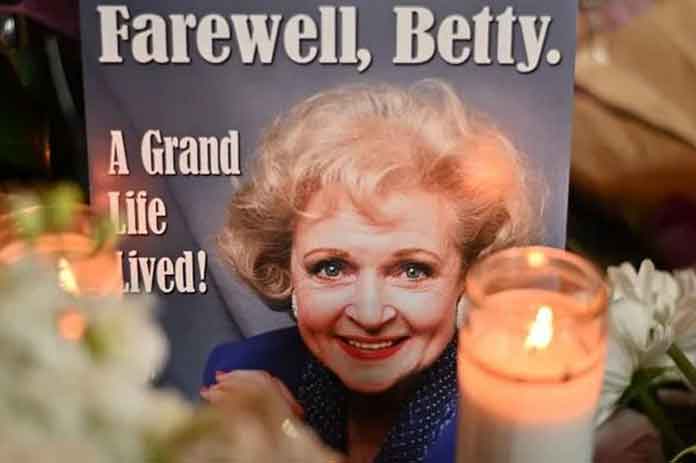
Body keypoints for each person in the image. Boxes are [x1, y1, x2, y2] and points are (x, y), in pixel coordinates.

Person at [201, 80, 540, 463]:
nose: (369, 314)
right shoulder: (241, 375)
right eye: (331, 268)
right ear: (285, 268)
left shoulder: (512, 427)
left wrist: (288, 443)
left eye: (413, 271)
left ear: (467, 277)